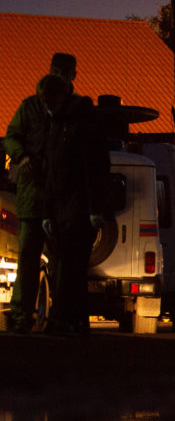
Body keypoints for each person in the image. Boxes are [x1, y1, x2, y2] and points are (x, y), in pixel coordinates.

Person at [2, 53, 76, 332]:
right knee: (28, 259)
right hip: (33, 196)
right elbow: (12, 137)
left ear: (73, 75)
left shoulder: (74, 110)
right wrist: (21, 158)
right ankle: (22, 316)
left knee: (61, 261)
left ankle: (60, 316)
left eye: (64, 71)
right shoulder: (30, 107)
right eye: (56, 70)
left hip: (60, 198)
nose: (59, 75)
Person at [40, 73, 111, 335]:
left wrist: (94, 209)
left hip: (79, 207)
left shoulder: (82, 123)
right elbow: (51, 170)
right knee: (64, 266)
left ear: (62, 96)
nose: (46, 106)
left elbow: (93, 168)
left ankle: (67, 319)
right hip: (60, 207)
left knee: (72, 266)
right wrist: (48, 211)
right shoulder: (58, 124)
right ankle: (73, 319)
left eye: (49, 100)